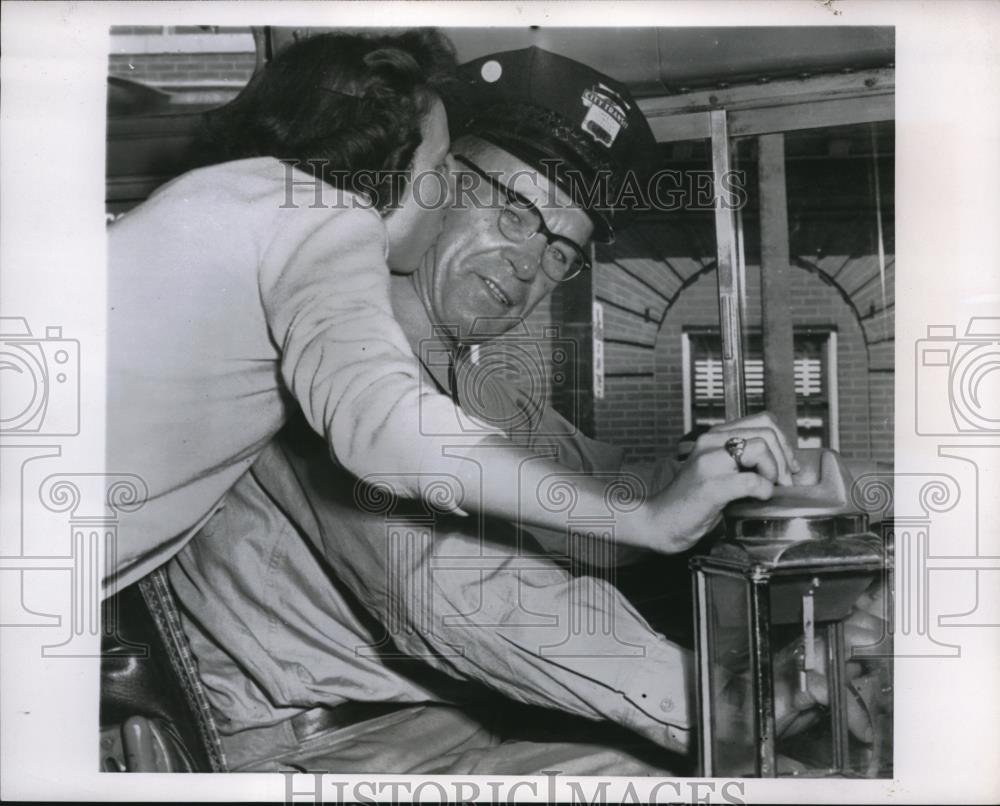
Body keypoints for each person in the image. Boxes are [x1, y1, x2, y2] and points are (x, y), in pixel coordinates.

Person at [166, 47, 819, 775]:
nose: (528, 265)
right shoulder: (319, 358)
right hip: (330, 752)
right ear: (432, 185)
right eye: (514, 213)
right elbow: (453, 586)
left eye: (560, 250)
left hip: (453, 728)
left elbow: (606, 488)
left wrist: (771, 480)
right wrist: (723, 698)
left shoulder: (471, 387)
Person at [107, 32, 783, 597]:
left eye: (558, 253)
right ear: (386, 161)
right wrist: (646, 519)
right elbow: (389, 433)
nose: (441, 201)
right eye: (440, 166)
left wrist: (709, 467)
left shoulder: (230, 200)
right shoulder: (323, 217)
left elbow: (571, 461)